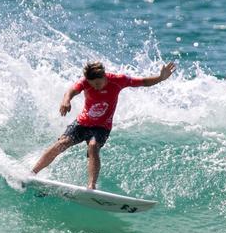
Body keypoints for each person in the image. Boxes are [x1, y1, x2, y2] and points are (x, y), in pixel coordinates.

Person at [31, 61, 176, 189]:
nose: (95, 87)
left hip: (102, 127)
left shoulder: (118, 80)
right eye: (92, 84)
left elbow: (143, 82)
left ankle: (91, 186)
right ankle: (32, 173)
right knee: (62, 143)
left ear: (104, 76)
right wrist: (66, 100)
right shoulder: (85, 82)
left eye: (98, 84)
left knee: (93, 146)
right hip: (82, 123)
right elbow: (71, 91)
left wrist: (160, 78)